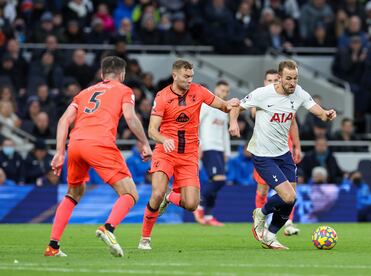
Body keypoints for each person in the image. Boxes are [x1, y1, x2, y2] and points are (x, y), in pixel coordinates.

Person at [44, 56, 152, 257]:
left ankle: (53, 246)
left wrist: (60, 152)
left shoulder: (84, 93)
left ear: (102, 75)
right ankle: (108, 229)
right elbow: (130, 117)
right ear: (122, 74)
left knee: (73, 193)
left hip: (75, 144)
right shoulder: (124, 90)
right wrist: (145, 143)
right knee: (130, 193)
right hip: (99, 142)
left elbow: (63, 120)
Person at [229, 60, 337, 250]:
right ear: (279, 78)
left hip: (283, 153)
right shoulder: (263, 94)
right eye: (288, 78)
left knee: (291, 198)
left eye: (295, 78)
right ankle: (260, 214)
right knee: (286, 196)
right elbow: (237, 105)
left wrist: (326, 114)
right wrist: (233, 123)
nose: (292, 82)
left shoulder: (299, 93)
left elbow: (315, 109)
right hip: (262, 154)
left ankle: (270, 236)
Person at [138, 60, 239, 250]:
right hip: (166, 152)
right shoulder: (162, 97)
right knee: (157, 193)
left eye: (191, 76)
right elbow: (152, 130)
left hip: (189, 155)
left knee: (192, 204)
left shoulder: (198, 91)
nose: (189, 80)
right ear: (174, 75)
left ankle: (170, 197)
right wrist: (163, 139)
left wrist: (230, 104)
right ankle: (145, 238)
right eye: (186, 76)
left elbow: (223, 106)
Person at [253, 69, 301, 236]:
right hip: (265, 151)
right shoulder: (260, 98)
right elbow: (253, 112)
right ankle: (262, 223)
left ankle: (287, 222)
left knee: (290, 190)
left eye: (275, 79)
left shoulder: (289, 100)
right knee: (264, 189)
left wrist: (297, 146)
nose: (273, 82)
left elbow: (293, 123)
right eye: (269, 80)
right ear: (264, 82)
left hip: (284, 150)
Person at [193, 80, 231, 226]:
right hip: (208, 147)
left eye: (227, 92)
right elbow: (196, 125)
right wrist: (199, 145)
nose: (224, 94)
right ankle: (199, 206)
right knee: (218, 180)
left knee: (216, 182)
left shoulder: (223, 110)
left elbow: (225, 133)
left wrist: (226, 152)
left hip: (220, 149)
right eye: (222, 90)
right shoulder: (206, 106)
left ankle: (208, 216)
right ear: (216, 90)